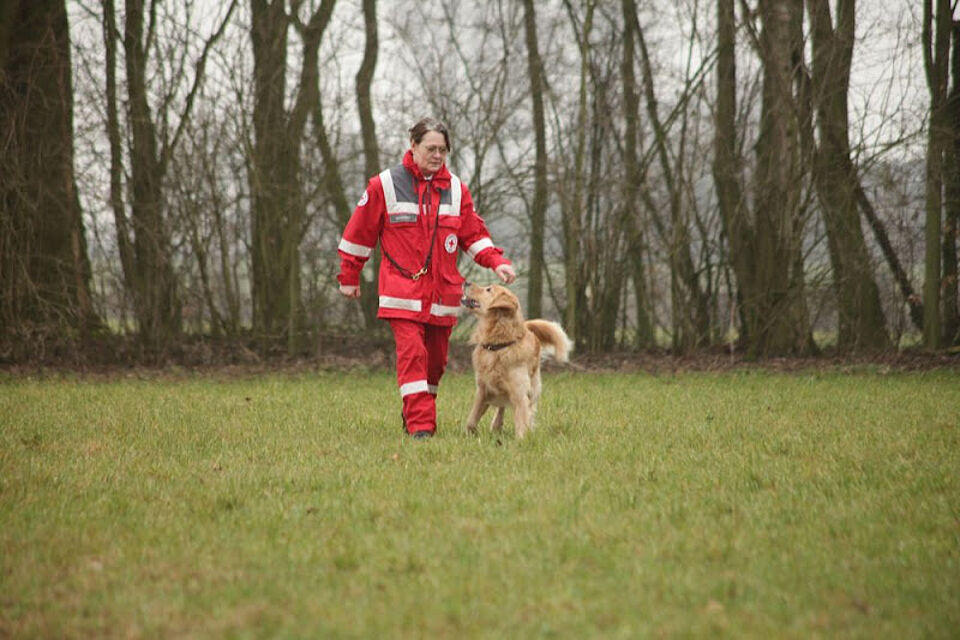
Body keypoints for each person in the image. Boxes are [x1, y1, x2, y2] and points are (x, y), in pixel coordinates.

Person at [337, 117, 516, 439]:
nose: (437, 155)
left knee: (434, 364)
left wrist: (497, 262)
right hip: (402, 292)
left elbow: (473, 235)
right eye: (431, 148)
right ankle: (421, 426)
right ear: (413, 146)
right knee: (413, 356)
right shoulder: (384, 185)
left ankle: (415, 411)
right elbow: (358, 233)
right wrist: (349, 274)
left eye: (443, 150)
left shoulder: (457, 190)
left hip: (442, 295)